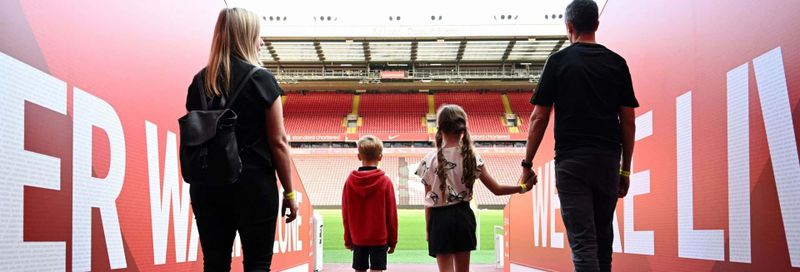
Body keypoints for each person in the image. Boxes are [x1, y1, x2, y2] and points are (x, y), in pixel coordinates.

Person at [520, 0, 639, 271]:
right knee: (603, 243)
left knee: (584, 246)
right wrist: (625, 170)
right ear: (596, 24)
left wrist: (527, 164)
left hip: (572, 163)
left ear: (569, 27)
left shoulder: (558, 62)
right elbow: (628, 122)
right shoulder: (617, 63)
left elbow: (539, 118)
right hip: (607, 162)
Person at [185, 7, 298, 272]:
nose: (262, 42)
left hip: (207, 184)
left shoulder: (199, 82)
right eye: (258, 35)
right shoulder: (262, 79)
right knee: (258, 265)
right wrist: (289, 193)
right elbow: (279, 141)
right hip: (253, 183)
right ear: (246, 36)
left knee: (214, 264)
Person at [416, 105, 536, 272]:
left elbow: (428, 201)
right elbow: (497, 189)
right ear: (462, 129)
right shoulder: (471, 157)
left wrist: (428, 230)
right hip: (463, 217)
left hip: (439, 220)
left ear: (440, 128)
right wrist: (523, 187)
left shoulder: (428, 160)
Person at [341, 135, 399, 272]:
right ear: (380, 157)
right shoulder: (385, 182)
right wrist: (393, 240)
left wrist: (348, 238)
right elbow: (391, 215)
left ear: (359, 156)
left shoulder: (350, 182)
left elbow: (345, 214)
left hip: (358, 238)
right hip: (379, 238)